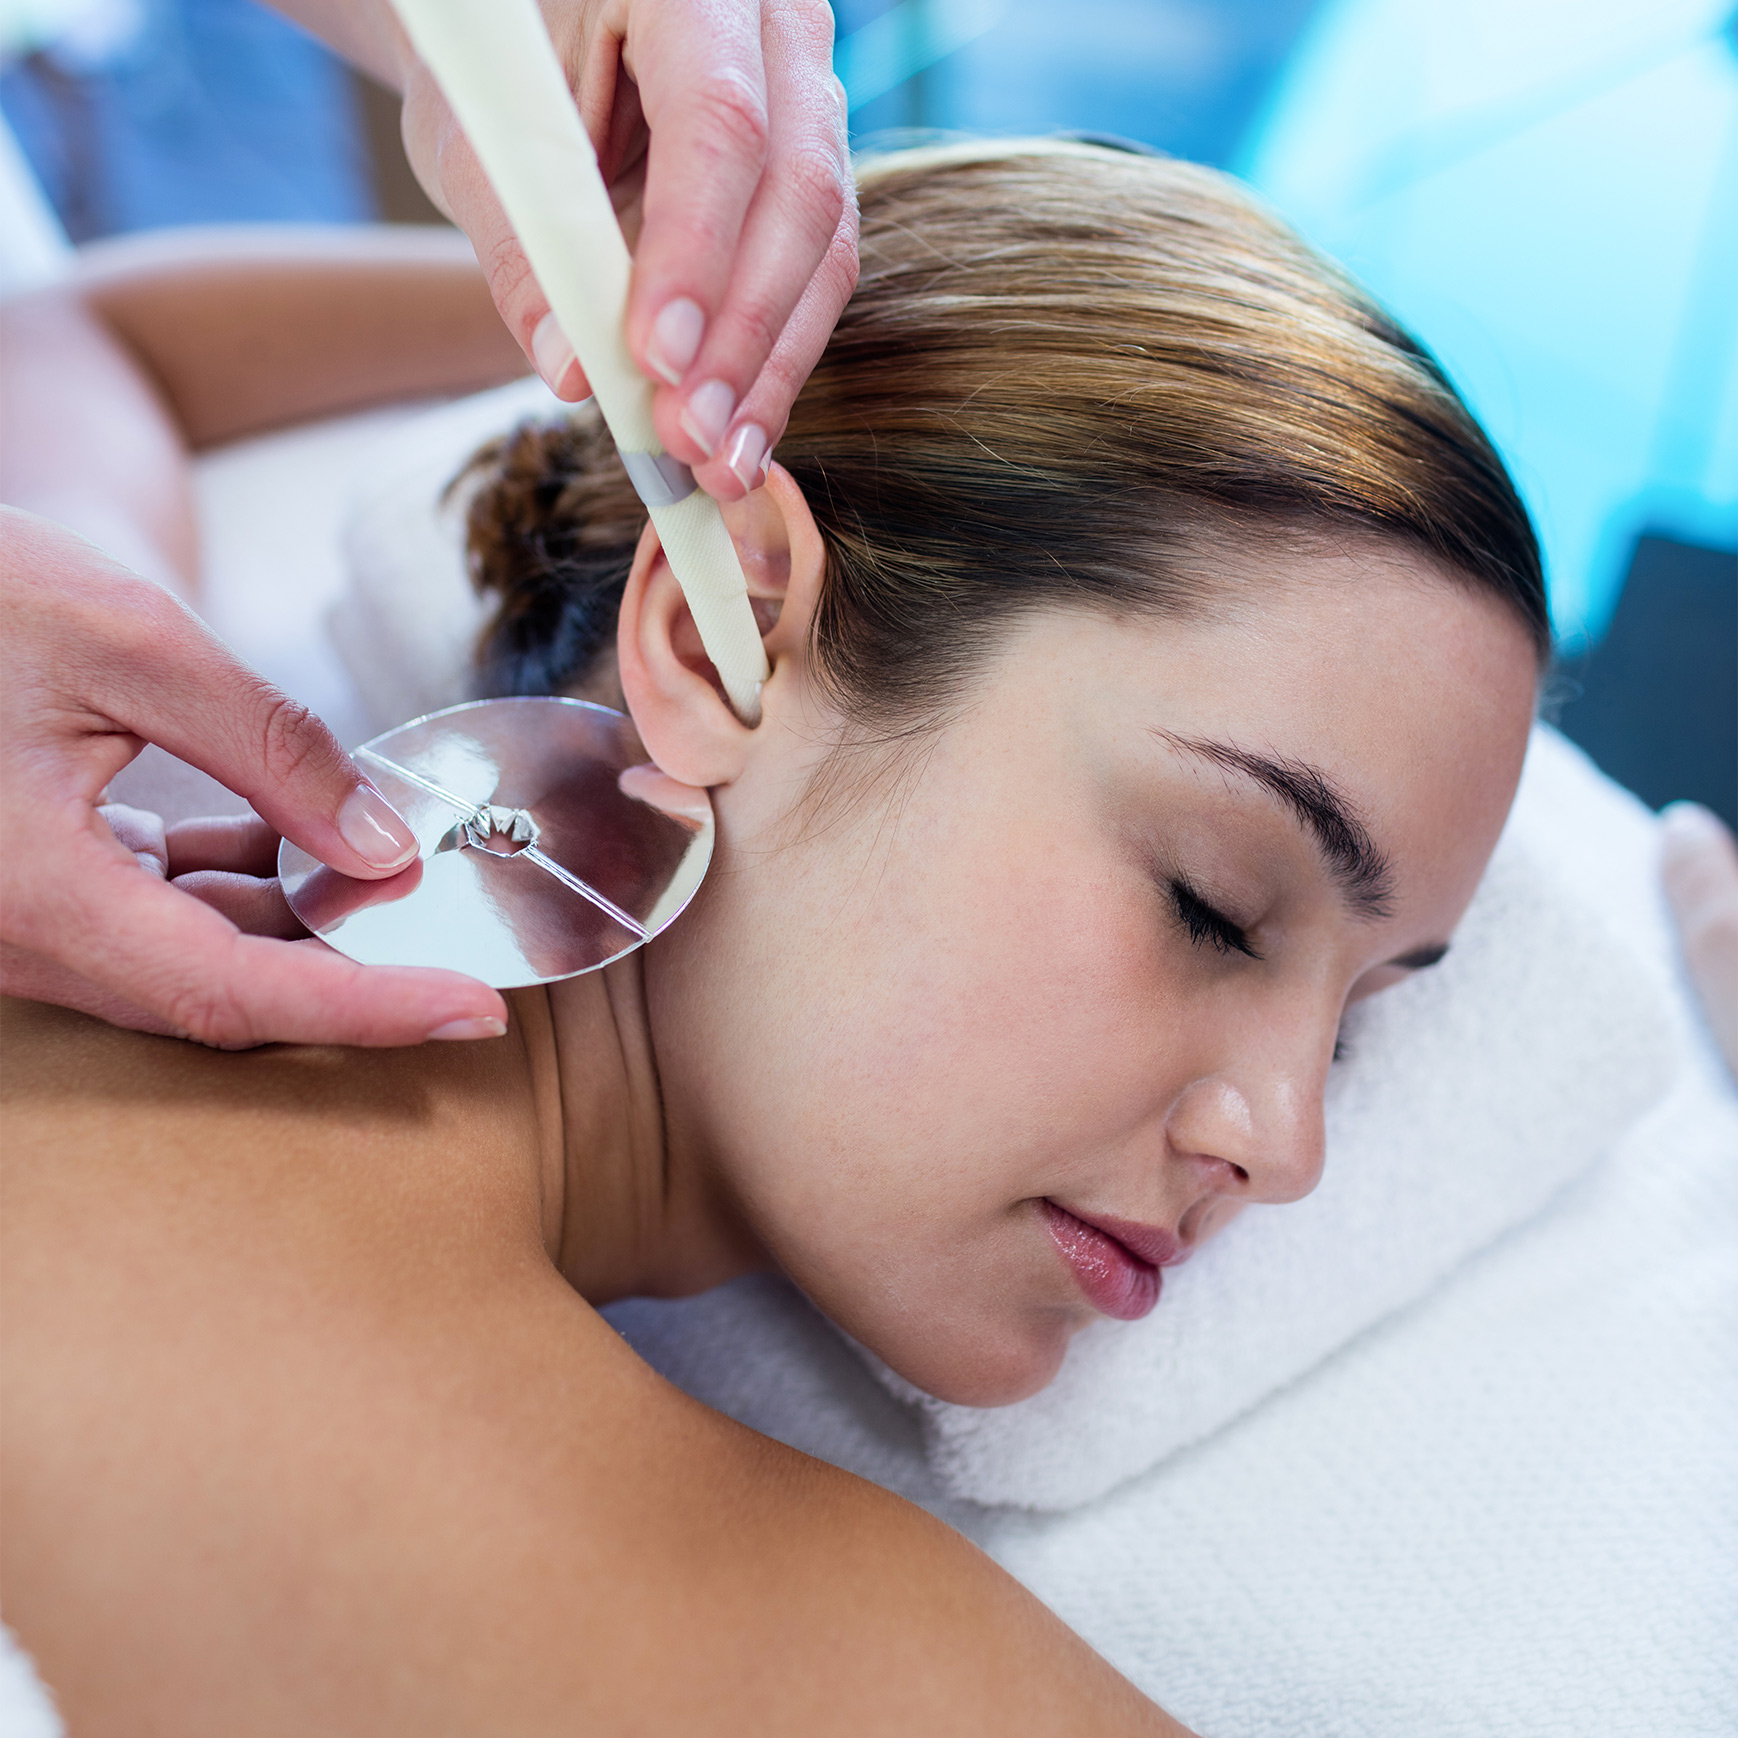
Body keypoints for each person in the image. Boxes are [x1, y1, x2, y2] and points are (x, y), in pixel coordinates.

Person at [2, 138, 1555, 1729]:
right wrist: (692, 318)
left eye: (1357, 1021)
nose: (1285, 1147)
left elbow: (65, 339)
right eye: (1210, 906)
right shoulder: (717, 1621)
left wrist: (670, 326)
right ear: (714, 636)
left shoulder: (82, 770)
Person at [0, 0, 855, 1048]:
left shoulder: (132, 796)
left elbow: (52, 342)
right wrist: (603, 294)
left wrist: (602, 284)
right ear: (714, 630)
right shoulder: (144, 804)